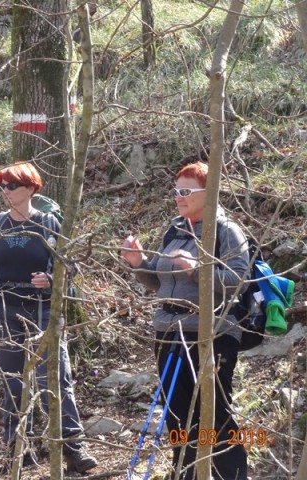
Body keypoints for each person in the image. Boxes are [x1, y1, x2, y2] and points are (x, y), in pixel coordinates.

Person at [121, 161, 249, 480]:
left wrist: (197, 268)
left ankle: (230, 475)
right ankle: (186, 474)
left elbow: (237, 280)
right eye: (176, 191)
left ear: (210, 192)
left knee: (215, 413)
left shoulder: (226, 231)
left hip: (210, 334)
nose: (178, 197)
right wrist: (139, 264)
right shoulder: (175, 230)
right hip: (167, 332)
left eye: (186, 191)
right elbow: (159, 282)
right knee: (177, 415)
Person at [0, 162, 98, 474]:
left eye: (11, 186)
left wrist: (52, 279)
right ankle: (20, 450)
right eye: (1, 186)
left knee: (55, 379)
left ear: (31, 188)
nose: (5, 192)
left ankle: (73, 447)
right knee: (13, 384)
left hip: (43, 311)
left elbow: (69, 267)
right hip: (4, 311)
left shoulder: (48, 223)